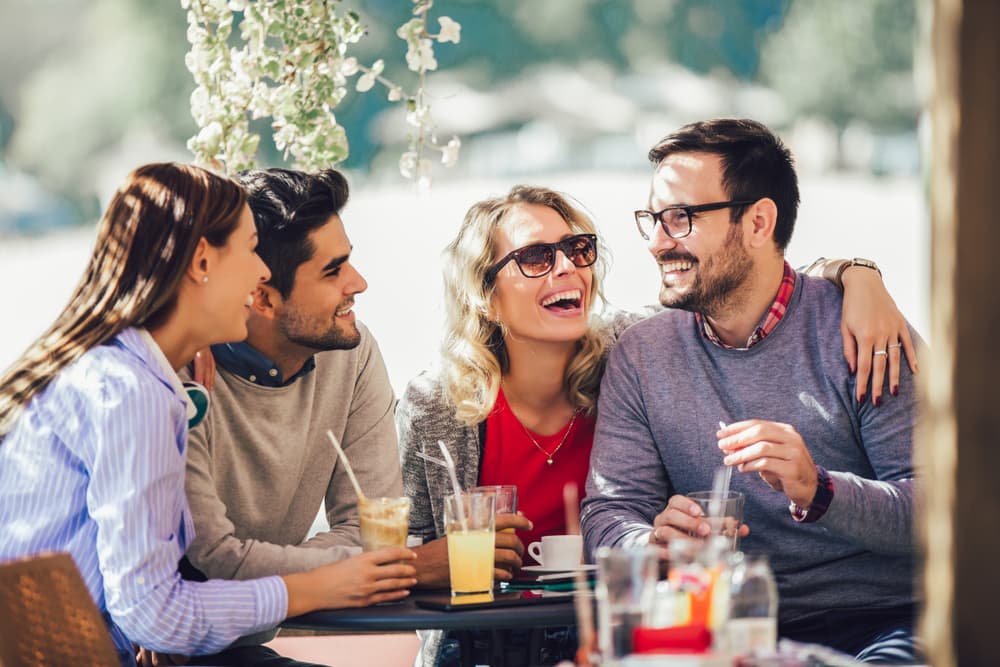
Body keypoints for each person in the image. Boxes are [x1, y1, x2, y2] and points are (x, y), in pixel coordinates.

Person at [396, 185, 914, 666]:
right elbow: (390, 557)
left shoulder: (634, 350)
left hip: (611, 639)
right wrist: (429, 563)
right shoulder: (435, 407)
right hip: (482, 646)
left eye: (577, 249)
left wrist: (856, 275)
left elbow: (743, 286)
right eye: (535, 257)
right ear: (484, 292)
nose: (567, 269)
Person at [0, 163, 417, 667]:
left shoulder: (127, 369)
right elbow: (153, 613)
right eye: (248, 248)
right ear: (202, 262)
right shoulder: (133, 389)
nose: (260, 272)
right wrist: (315, 586)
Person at [580, 119, 920, 663]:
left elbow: (938, 512)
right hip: (720, 628)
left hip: (884, 624)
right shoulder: (642, 354)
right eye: (652, 219)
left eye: (681, 218)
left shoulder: (865, 335)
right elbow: (610, 512)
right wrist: (651, 544)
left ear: (759, 221)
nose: (657, 242)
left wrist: (820, 489)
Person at [176, 167, 407, 666]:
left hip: (240, 645)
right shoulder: (181, 374)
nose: (359, 283)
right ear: (260, 294)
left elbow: (373, 530)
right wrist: (391, 567)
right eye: (333, 270)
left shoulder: (354, 351)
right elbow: (215, 559)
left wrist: (382, 562)